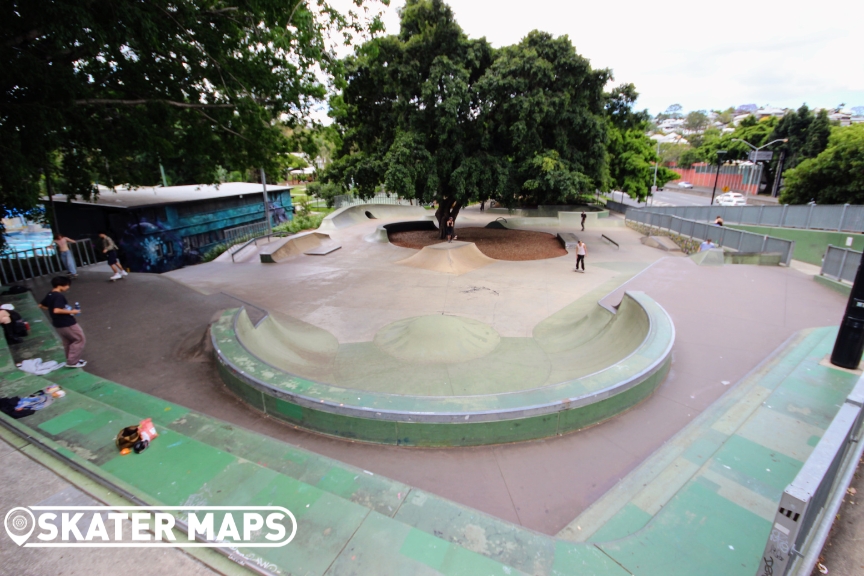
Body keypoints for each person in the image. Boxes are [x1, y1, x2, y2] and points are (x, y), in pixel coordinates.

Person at [39, 276, 86, 368]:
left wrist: (51, 308)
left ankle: (71, 359)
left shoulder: (50, 294)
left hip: (58, 324)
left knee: (68, 341)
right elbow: (57, 310)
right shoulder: (59, 296)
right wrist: (72, 312)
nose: (68, 287)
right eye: (67, 285)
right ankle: (72, 362)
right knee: (79, 339)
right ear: (61, 285)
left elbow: (41, 305)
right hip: (67, 322)